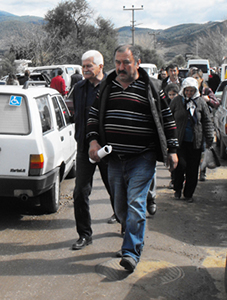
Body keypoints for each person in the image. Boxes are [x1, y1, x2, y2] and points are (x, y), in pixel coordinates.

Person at [87, 45, 179, 272]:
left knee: (136, 204)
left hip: (142, 157)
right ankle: (130, 236)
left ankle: (131, 252)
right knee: (120, 207)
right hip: (115, 158)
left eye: (126, 62)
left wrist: (173, 149)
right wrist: (93, 141)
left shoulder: (151, 87)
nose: (120, 67)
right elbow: (93, 115)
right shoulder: (107, 86)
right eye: (117, 62)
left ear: (137, 62)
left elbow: (166, 118)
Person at [70, 50, 116, 251]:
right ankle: (84, 235)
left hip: (109, 149)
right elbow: (75, 115)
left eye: (89, 65)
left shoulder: (112, 87)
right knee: (80, 192)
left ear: (100, 66)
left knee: (115, 189)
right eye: (83, 66)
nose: (85, 69)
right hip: (84, 147)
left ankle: (124, 222)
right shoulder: (79, 88)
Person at [169, 77, 214, 202]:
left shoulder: (200, 103)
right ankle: (177, 188)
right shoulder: (177, 101)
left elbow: (207, 121)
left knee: (192, 169)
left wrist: (209, 139)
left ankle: (188, 194)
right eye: (187, 90)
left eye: (191, 91)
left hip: (195, 143)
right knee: (180, 166)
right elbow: (168, 119)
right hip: (179, 141)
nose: (189, 93)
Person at [190, 69, 219, 181]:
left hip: (203, 125)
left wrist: (208, 100)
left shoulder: (206, 90)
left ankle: (202, 172)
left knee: (203, 150)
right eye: (193, 77)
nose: (195, 80)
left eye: (197, 77)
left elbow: (216, 103)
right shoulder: (186, 91)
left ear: (202, 79)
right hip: (191, 126)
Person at [163, 82, 181, 189]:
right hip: (171, 138)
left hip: (181, 136)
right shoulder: (165, 105)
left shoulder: (182, 103)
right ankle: (173, 180)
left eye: (174, 94)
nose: (172, 97)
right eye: (170, 95)